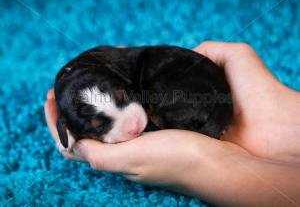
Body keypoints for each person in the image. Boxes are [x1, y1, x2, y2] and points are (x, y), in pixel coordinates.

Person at [44, 42, 300, 206]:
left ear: (119, 77)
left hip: (196, 94)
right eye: (101, 125)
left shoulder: (124, 66)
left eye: (125, 98)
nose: (133, 124)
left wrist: (199, 167)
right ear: (68, 129)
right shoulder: (110, 67)